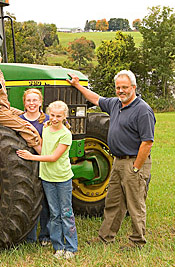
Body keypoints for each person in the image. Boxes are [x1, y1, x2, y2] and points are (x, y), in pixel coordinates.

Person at [67, 70, 156, 249]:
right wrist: (77, 85)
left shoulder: (143, 110)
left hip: (133, 162)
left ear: (134, 87)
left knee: (135, 204)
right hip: (117, 161)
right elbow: (96, 99)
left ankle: (137, 241)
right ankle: (105, 237)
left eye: (124, 87)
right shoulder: (116, 104)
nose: (121, 91)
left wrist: (136, 168)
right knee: (113, 202)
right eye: (118, 88)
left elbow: (147, 142)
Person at [17, 100, 78, 259]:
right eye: (52, 115)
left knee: (66, 212)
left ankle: (71, 247)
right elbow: (44, 145)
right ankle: (58, 246)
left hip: (62, 178)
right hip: (47, 178)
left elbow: (53, 157)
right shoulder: (46, 128)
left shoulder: (65, 134)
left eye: (59, 116)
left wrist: (31, 157)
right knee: (54, 214)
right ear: (48, 114)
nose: (55, 118)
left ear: (64, 116)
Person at [0, 46, 42, 154]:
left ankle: (43, 141)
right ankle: (42, 154)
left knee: (26, 115)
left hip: (4, 106)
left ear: (0, 60)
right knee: (22, 125)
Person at [20, 89, 50, 245]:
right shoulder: (19, 120)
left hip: (44, 163)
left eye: (35, 100)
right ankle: (29, 237)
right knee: (28, 200)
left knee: (44, 201)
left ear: (40, 102)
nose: (32, 104)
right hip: (25, 166)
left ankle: (45, 235)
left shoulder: (48, 120)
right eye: (28, 101)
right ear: (24, 103)